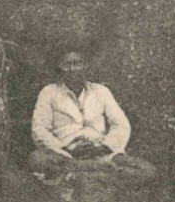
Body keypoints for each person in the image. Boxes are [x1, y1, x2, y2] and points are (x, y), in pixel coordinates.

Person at [28, 49, 156, 181]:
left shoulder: (101, 91)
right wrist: (64, 148)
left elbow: (121, 124)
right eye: (67, 64)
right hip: (66, 154)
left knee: (146, 169)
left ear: (86, 66)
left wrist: (105, 147)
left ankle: (77, 174)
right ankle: (96, 174)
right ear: (60, 67)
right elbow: (40, 129)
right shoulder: (49, 92)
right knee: (37, 159)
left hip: (100, 152)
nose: (73, 69)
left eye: (77, 63)